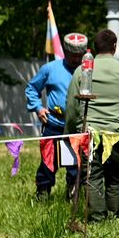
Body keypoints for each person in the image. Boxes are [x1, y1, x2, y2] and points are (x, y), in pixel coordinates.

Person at [64, 29, 119, 221]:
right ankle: (115, 217)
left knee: (92, 177)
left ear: (93, 47)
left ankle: (96, 218)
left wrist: (69, 134)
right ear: (115, 47)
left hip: (89, 135)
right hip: (118, 134)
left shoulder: (82, 70)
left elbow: (72, 107)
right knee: (116, 179)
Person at [25, 32, 88, 201]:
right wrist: (38, 108)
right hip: (53, 123)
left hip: (77, 126)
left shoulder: (89, 72)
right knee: (48, 162)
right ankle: (43, 195)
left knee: (76, 164)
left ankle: (73, 194)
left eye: (79, 56)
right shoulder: (50, 69)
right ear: (65, 52)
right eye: (72, 56)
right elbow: (31, 89)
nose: (75, 60)